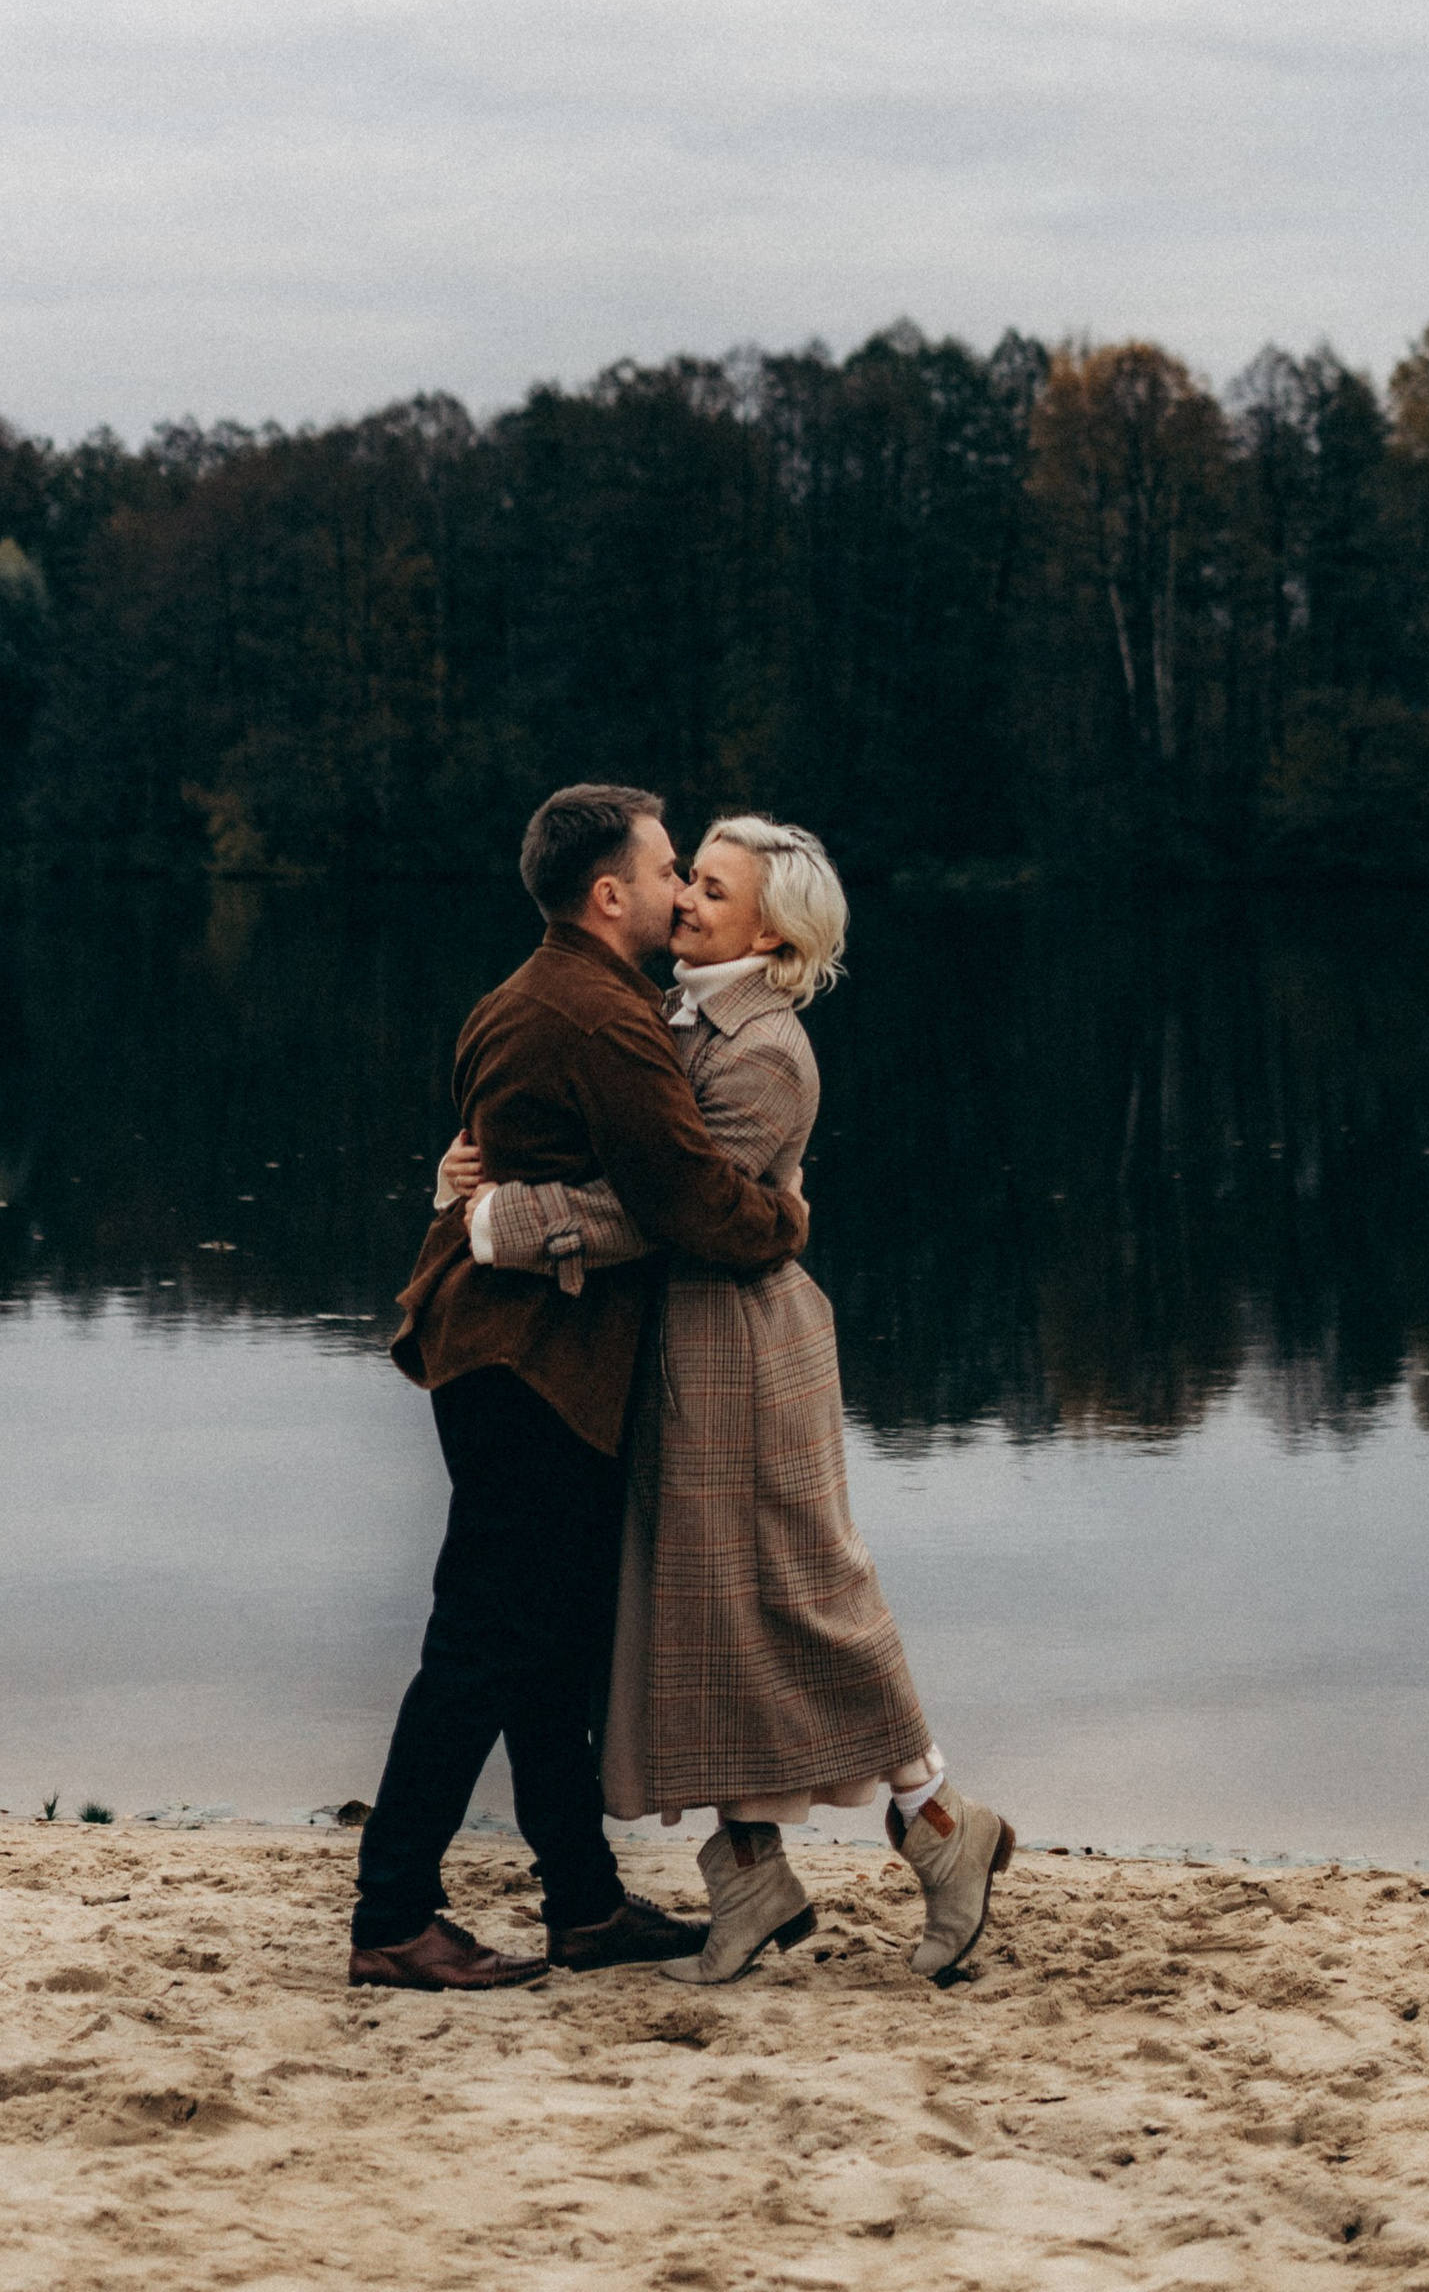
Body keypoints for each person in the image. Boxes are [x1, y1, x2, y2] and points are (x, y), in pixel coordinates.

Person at [445, 815, 1015, 1988]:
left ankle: (942, 1822)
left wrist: (504, 1221)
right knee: (698, 1605)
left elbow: (666, 1203)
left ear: (770, 928)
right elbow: (605, 1142)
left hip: (745, 1343)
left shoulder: (763, 1050)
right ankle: (747, 1869)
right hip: (674, 1343)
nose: (685, 902)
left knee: (804, 1587)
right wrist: (468, 1166)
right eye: (686, 879)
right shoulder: (672, 1013)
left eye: (710, 889)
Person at [348, 784, 811, 1993]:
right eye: (667, 872)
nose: (679, 890)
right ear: (610, 894)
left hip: (504, 1352)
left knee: (546, 1647)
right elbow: (688, 1201)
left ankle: (584, 1905)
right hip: (527, 1363)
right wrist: (784, 1220)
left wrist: (463, 1189)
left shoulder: (534, 989)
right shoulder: (601, 1019)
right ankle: (393, 1912)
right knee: (485, 1643)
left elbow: (503, 1146)